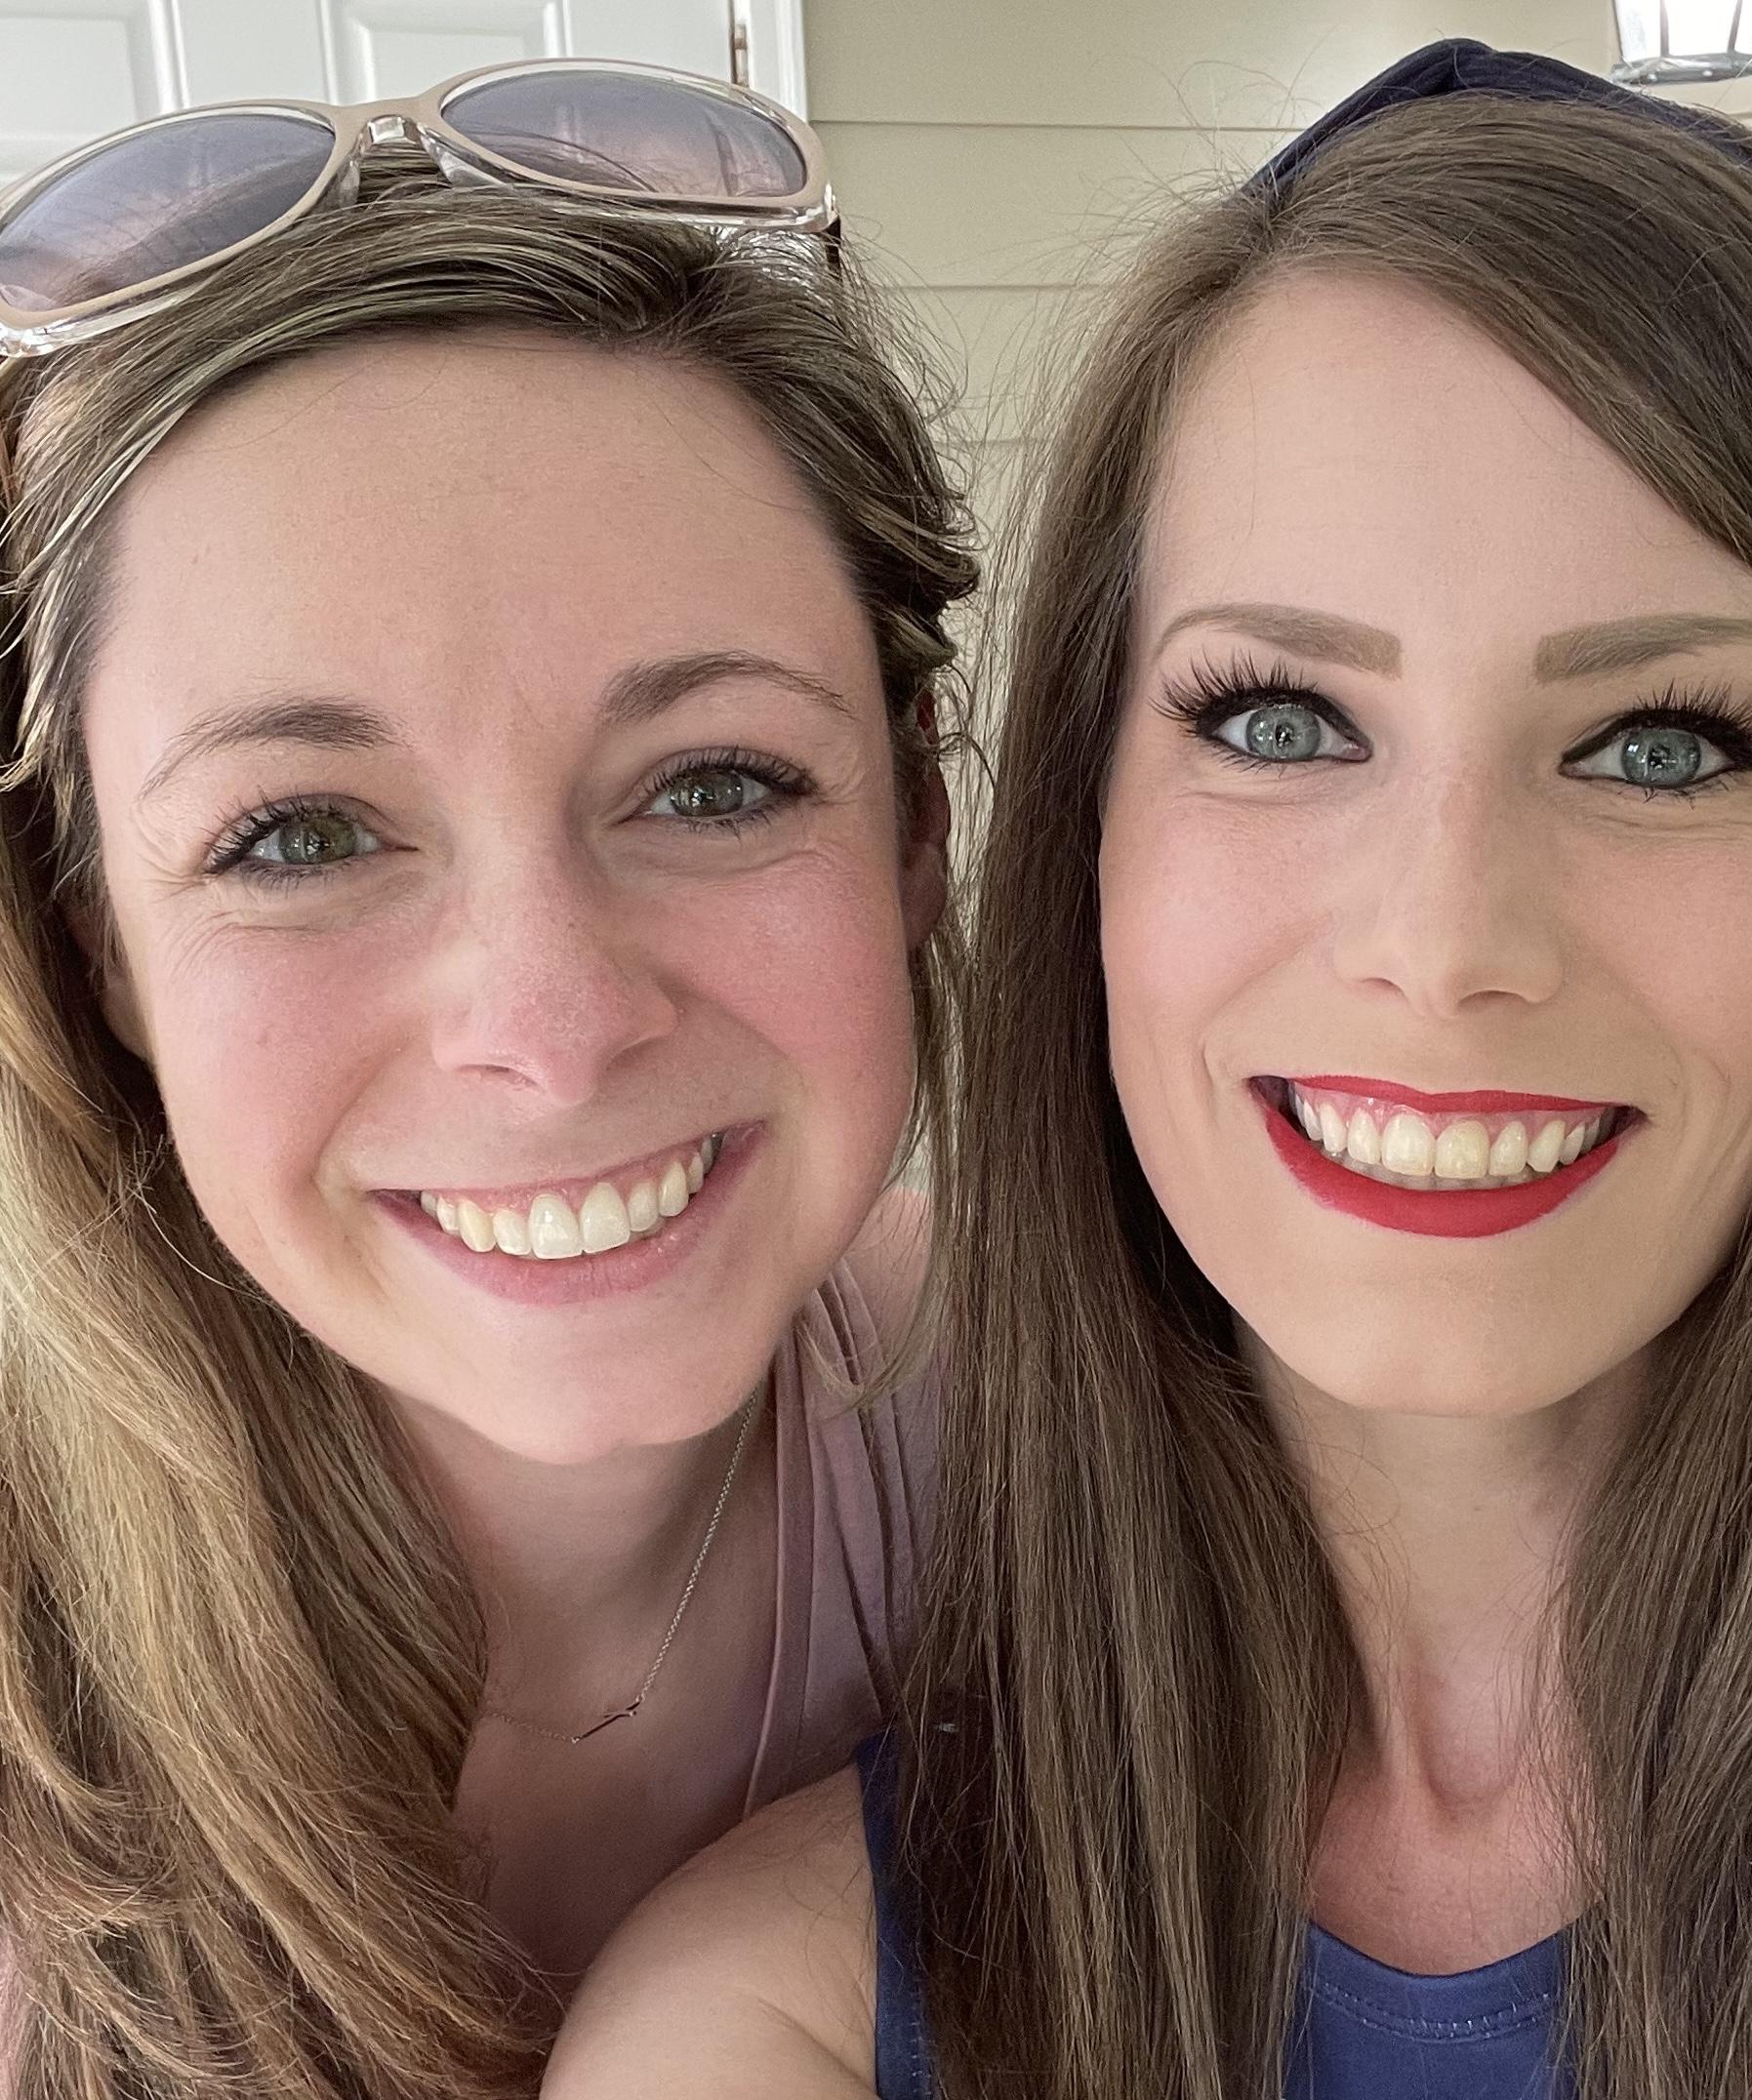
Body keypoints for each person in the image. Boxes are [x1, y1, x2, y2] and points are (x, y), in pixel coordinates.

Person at [546, 39, 1752, 2100]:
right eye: (1280, 719)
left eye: (1660, 743)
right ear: (1088, 827)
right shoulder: (775, 2011)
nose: (1442, 943)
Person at [0, 61, 971, 2099]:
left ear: (913, 836)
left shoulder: (1077, 1451)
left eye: (714, 783)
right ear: (100, 947)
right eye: (297, 834)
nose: (550, 1022)